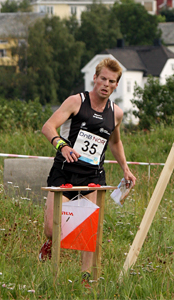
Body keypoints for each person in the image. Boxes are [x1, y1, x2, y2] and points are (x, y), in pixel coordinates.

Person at [38, 57, 136, 278]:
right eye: (103, 79)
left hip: (93, 178)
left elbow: (115, 142)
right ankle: (51, 244)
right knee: (52, 229)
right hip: (64, 173)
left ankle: (85, 279)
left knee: (88, 232)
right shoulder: (76, 101)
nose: (106, 84)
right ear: (95, 78)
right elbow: (48, 127)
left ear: (116, 85)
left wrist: (126, 169)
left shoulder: (116, 113)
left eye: (111, 81)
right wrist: (62, 146)